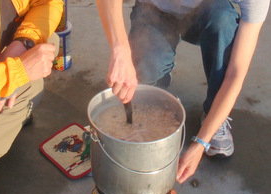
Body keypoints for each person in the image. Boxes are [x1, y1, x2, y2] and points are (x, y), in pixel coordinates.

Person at [96, 0, 270, 183]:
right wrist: (120, 50)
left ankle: (214, 116)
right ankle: (159, 68)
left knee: (224, 22)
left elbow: (235, 73)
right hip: (153, 11)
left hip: (208, 13)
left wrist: (201, 142)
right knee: (146, 77)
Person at [0, 0, 64, 194]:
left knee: (47, 42)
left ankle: (11, 113)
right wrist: (13, 73)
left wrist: (22, 43)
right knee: (30, 79)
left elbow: (49, 2)